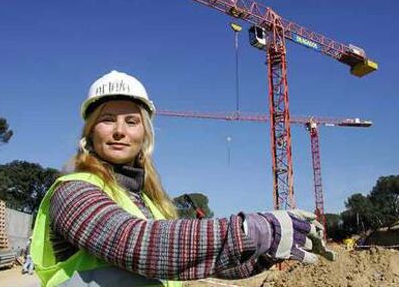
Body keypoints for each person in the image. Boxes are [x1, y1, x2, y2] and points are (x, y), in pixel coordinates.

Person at [31, 70, 332, 287]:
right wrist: (248, 230)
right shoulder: (73, 191)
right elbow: (133, 243)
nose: (119, 130)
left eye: (131, 121)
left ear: (144, 136)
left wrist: (264, 250)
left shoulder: (149, 203)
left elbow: (199, 264)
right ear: (90, 133)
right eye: (107, 119)